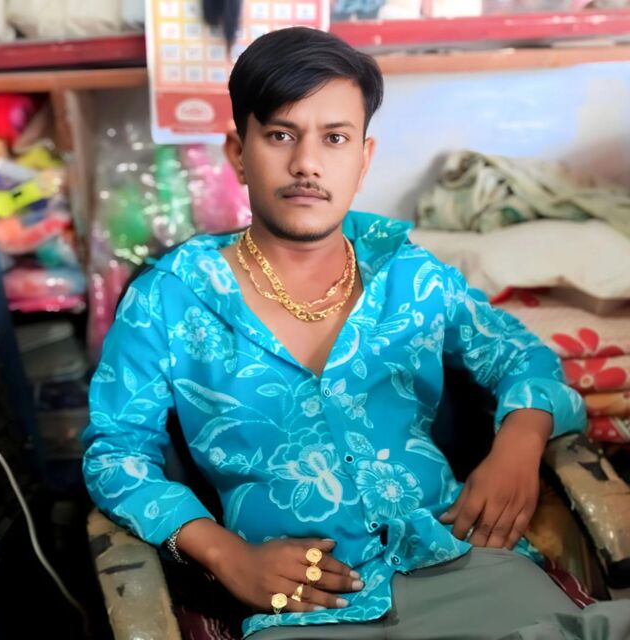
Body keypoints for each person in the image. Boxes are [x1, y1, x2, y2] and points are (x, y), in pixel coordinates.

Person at [83, 27, 630, 640]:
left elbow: (522, 357)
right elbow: (116, 452)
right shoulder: (168, 298)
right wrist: (225, 554)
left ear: (364, 159)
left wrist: (520, 444)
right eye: (280, 135)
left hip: (463, 562)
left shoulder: (410, 275)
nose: (306, 163)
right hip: (303, 604)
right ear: (238, 152)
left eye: (335, 138)